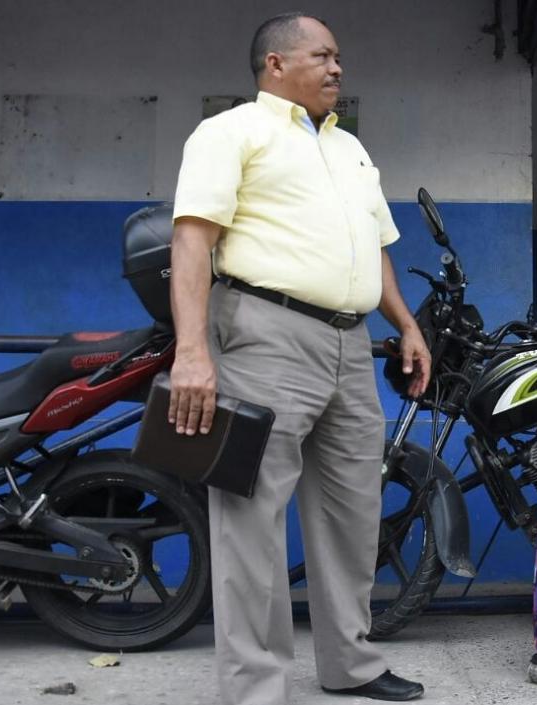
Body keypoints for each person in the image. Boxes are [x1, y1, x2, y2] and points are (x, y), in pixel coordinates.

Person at [167, 12, 430, 704]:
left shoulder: (350, 150)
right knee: (250, 516)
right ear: (276, 64)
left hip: (350, 344)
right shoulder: (230, 133)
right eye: (323, 55)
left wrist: (404, 322)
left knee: (353, 511)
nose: (338, 67)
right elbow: (192, 240)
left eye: (340, 56)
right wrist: (192, 349)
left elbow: (376, 246)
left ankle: (353, 662)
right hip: (264, 332)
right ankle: (255, 687)